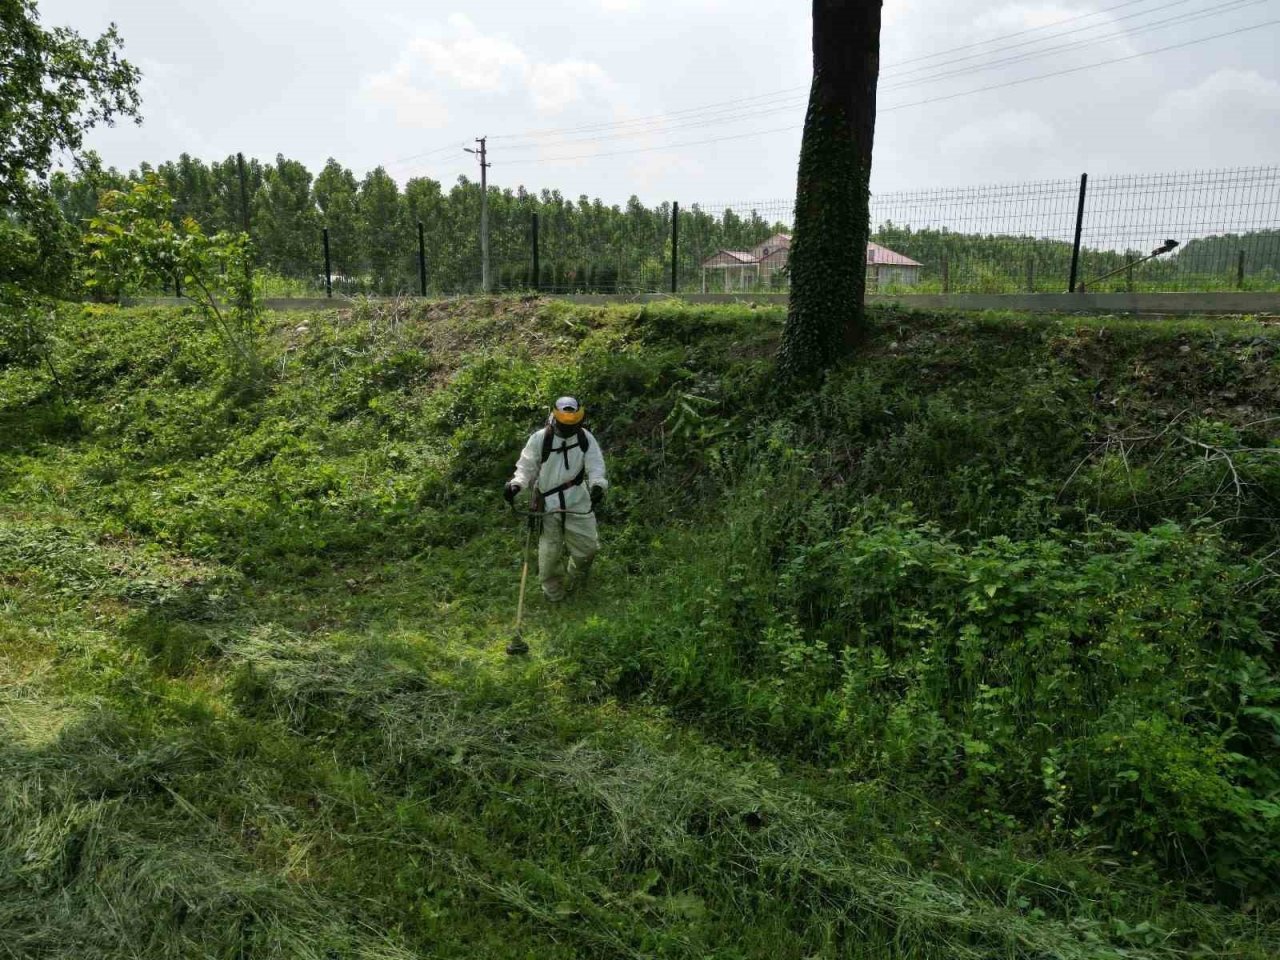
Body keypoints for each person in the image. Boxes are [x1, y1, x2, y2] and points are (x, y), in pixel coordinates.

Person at [504, 396, 608, 602]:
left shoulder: (585, 438)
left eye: (575, 425)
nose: (570, 429)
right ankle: (554, 594)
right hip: (548, 504)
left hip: (578, 500)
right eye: (566, 425)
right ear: (556, 419)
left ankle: (576, 576)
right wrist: (516, 484)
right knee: (549, 553)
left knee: (588, 549)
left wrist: (598, 485)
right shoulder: (540, 439)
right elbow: (526, 467)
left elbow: (596, 465)